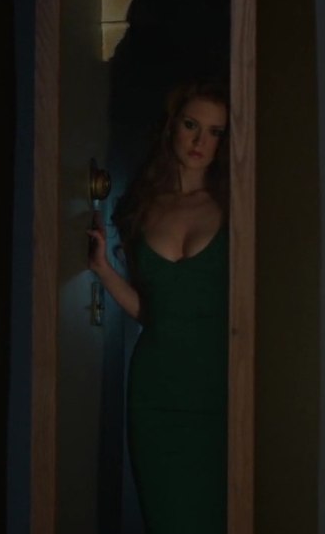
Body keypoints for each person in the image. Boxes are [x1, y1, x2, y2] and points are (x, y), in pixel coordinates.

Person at [88, 80, 230, 533]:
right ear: (172, 128)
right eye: (191, 125)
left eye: (214, 132)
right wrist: (103, 269)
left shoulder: (234, 208)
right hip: (154, 394)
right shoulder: (145, 207)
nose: (200, 141)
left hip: (217, 391)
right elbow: (153, 312)